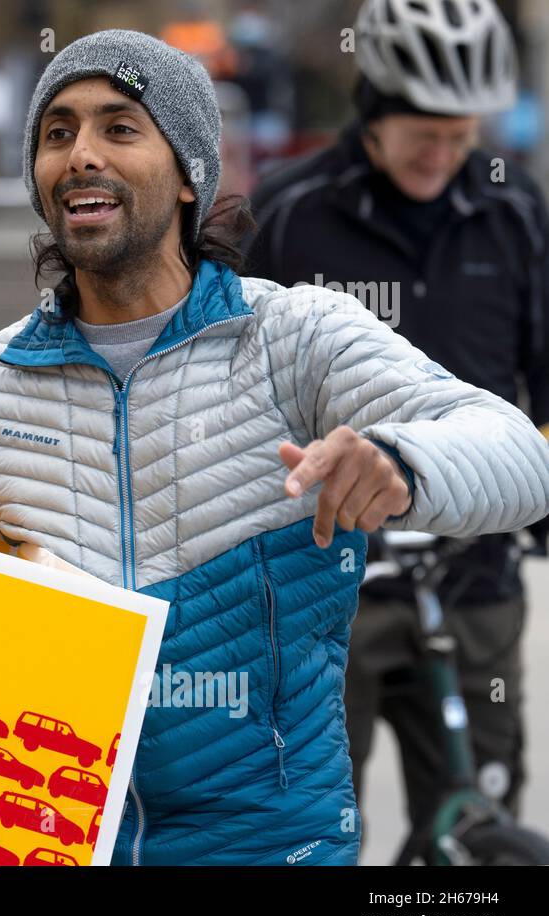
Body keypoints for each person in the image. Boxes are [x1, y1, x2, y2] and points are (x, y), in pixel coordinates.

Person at [0, 28, 549, 865]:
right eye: (57, 133)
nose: (81, 155)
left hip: (270, 848)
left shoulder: (294, 337)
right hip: (54, 842)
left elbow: (518, 452)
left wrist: (399, 463)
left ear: (188, 173)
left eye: (120, 127)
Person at [245, 0, 549, 859]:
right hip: (324, 591)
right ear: (372, 105)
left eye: (461, 136)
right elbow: (229, 392)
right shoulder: (290, 213)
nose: (444, 155)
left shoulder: (515, 210)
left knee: (475, 844)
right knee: (309, 831)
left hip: (476, 583)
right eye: (424, 132)